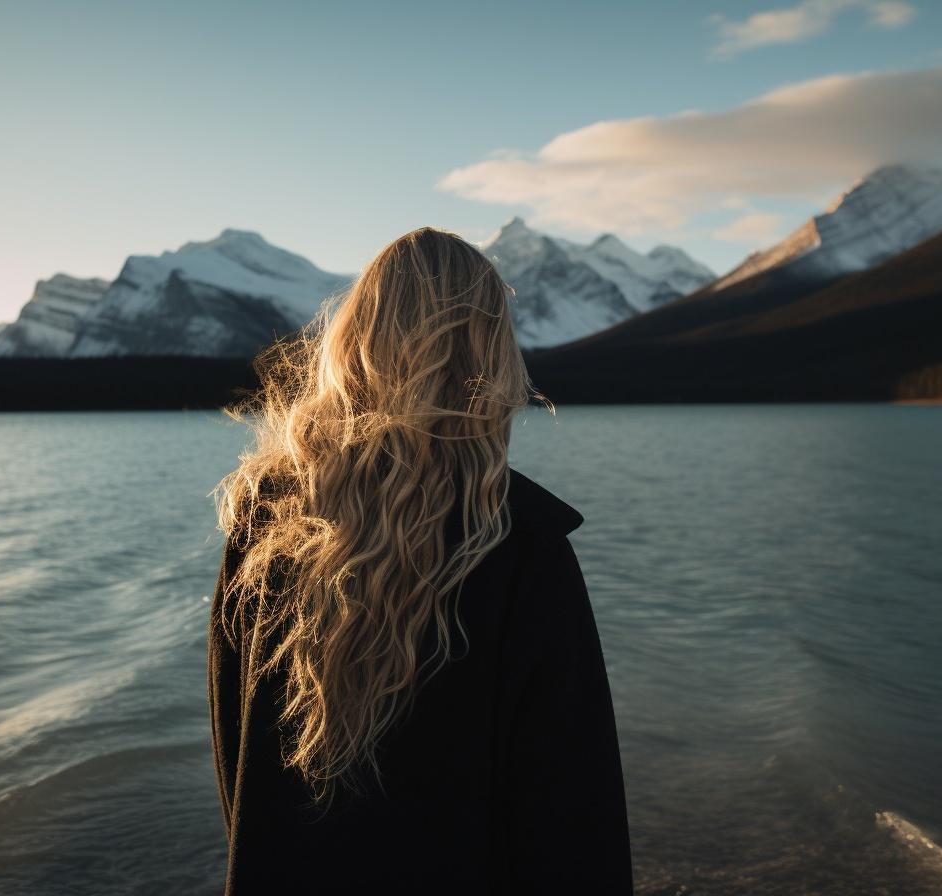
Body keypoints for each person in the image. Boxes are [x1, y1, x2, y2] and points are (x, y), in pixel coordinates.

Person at [207, 227, 633, 894]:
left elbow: (233, 746)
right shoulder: (521, 545)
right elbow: (573, 811)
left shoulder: (268, 518)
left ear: (355, 341)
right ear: (490, 355)